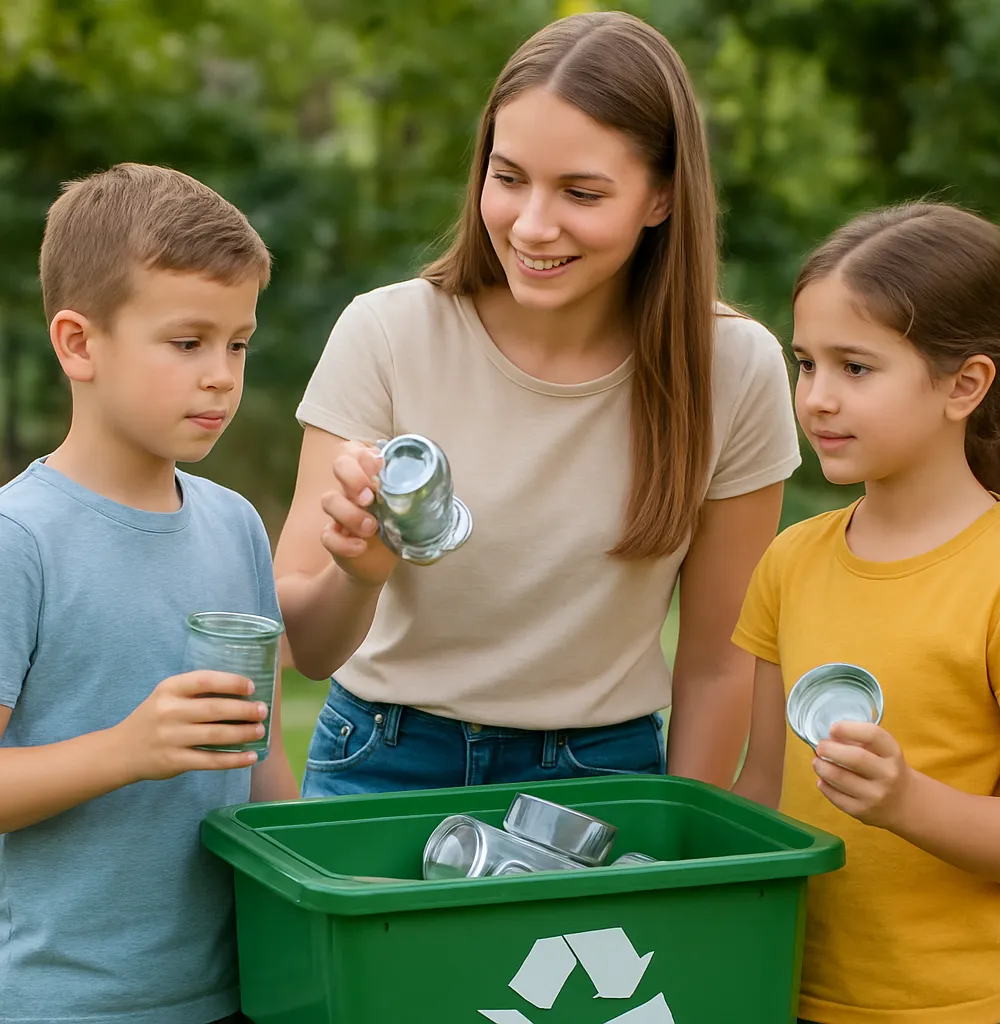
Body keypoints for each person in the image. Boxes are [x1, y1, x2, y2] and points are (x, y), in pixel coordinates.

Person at [275, 11, 800, 798]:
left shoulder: (734, 367)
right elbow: (304, 649)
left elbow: (720, 662)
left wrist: (676, 838)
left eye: (581, 192)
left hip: (605, 774)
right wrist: (358, 574)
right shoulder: (387, 332)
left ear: (661, 197)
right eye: (509, 176)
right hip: (382, 758)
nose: (532, 224)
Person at [0, 163, 297, 1024]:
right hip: (65, 1004)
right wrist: (127, 749)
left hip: (239, 990)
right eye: (187, 342)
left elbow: (262, 752)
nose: (221, 376)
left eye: (238, 344)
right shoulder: (21, 539)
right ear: (78, 343)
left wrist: (319, 879)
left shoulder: (235, 523)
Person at [732, 203, 1000, 1024]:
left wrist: (904, 801)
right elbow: (763, 791)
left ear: (964, 384)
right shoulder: (791, 561)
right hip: (791, 993)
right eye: (807, 364)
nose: (818, 398)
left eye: (855, 368)